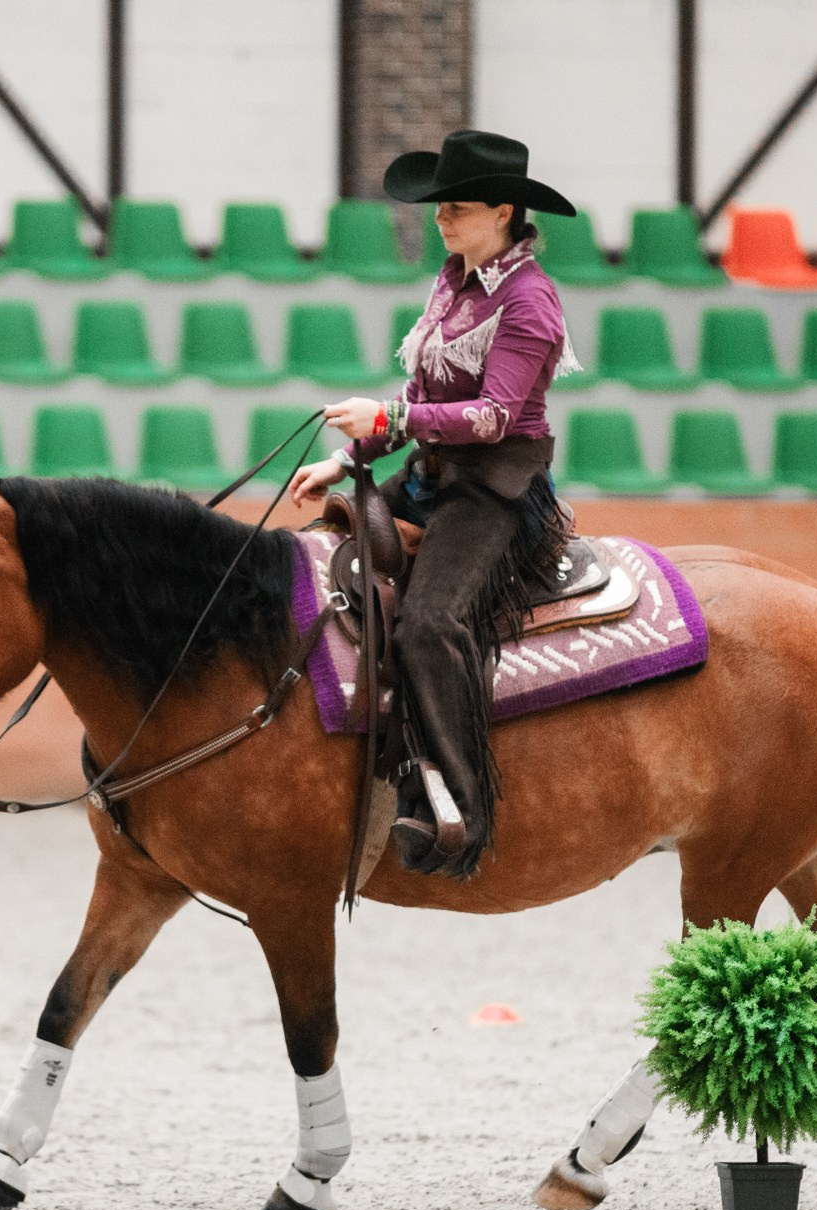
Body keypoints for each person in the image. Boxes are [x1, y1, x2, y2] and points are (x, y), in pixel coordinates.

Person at [289, 129, 580, 879]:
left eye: (457, 207)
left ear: (505, 211)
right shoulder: (454, 278)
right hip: (430, 473)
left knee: (429, 623)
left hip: (495, 492)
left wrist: (385, 422)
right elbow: (421, 397)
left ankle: (463, 809)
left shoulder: (531, 301)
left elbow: (493, 417)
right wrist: (348, 459)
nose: (442, 219)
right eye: (440, 207)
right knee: (321, 552)